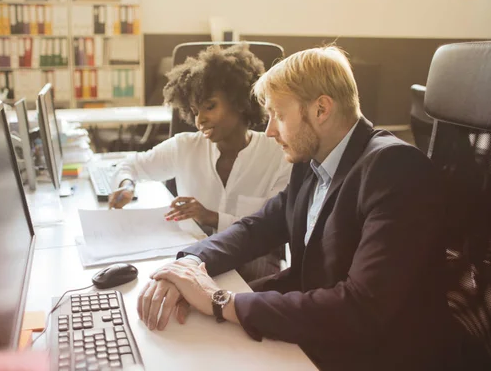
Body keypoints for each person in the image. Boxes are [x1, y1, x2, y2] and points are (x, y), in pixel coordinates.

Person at [137, 46, 463, 370]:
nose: (270, 131)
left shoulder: (395, 169)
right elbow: (257, 228)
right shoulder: (311, 162)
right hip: (319, 331)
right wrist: (189, 266)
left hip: (378, 354)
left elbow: (360, 309)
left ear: (321, 109)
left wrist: (221, 302)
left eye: (279, 115)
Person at [108, 44, 292, 282]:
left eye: (210, 106)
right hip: (197, 261)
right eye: (195, 110)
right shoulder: (185, 147)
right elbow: (131, 165)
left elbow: (273, 230)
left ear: (239, 102)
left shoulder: (277, 154)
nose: (199, 120)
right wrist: (127, 185)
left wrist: (212, 217)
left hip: (254, 265)